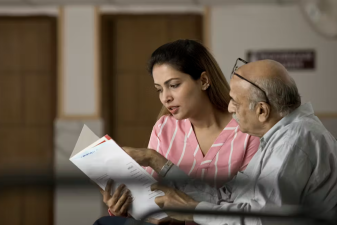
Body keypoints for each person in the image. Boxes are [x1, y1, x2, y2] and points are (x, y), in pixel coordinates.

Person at [96, 58, 337, 225]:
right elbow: (228, 195)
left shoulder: (294, 141)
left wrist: (192, 211)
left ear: (262, 111)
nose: (230, 108)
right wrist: (156, 161)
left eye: (236, 102)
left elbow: (261, 220)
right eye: (160, 88)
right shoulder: (281, 135)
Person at [101, 40, 260, 217]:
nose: (165, 98)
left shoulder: (248, 131)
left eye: (174, 85)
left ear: (204, 80)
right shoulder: (164, 128)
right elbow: (148, 197)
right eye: (159, 89)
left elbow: (251, 208)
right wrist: (123, 208)